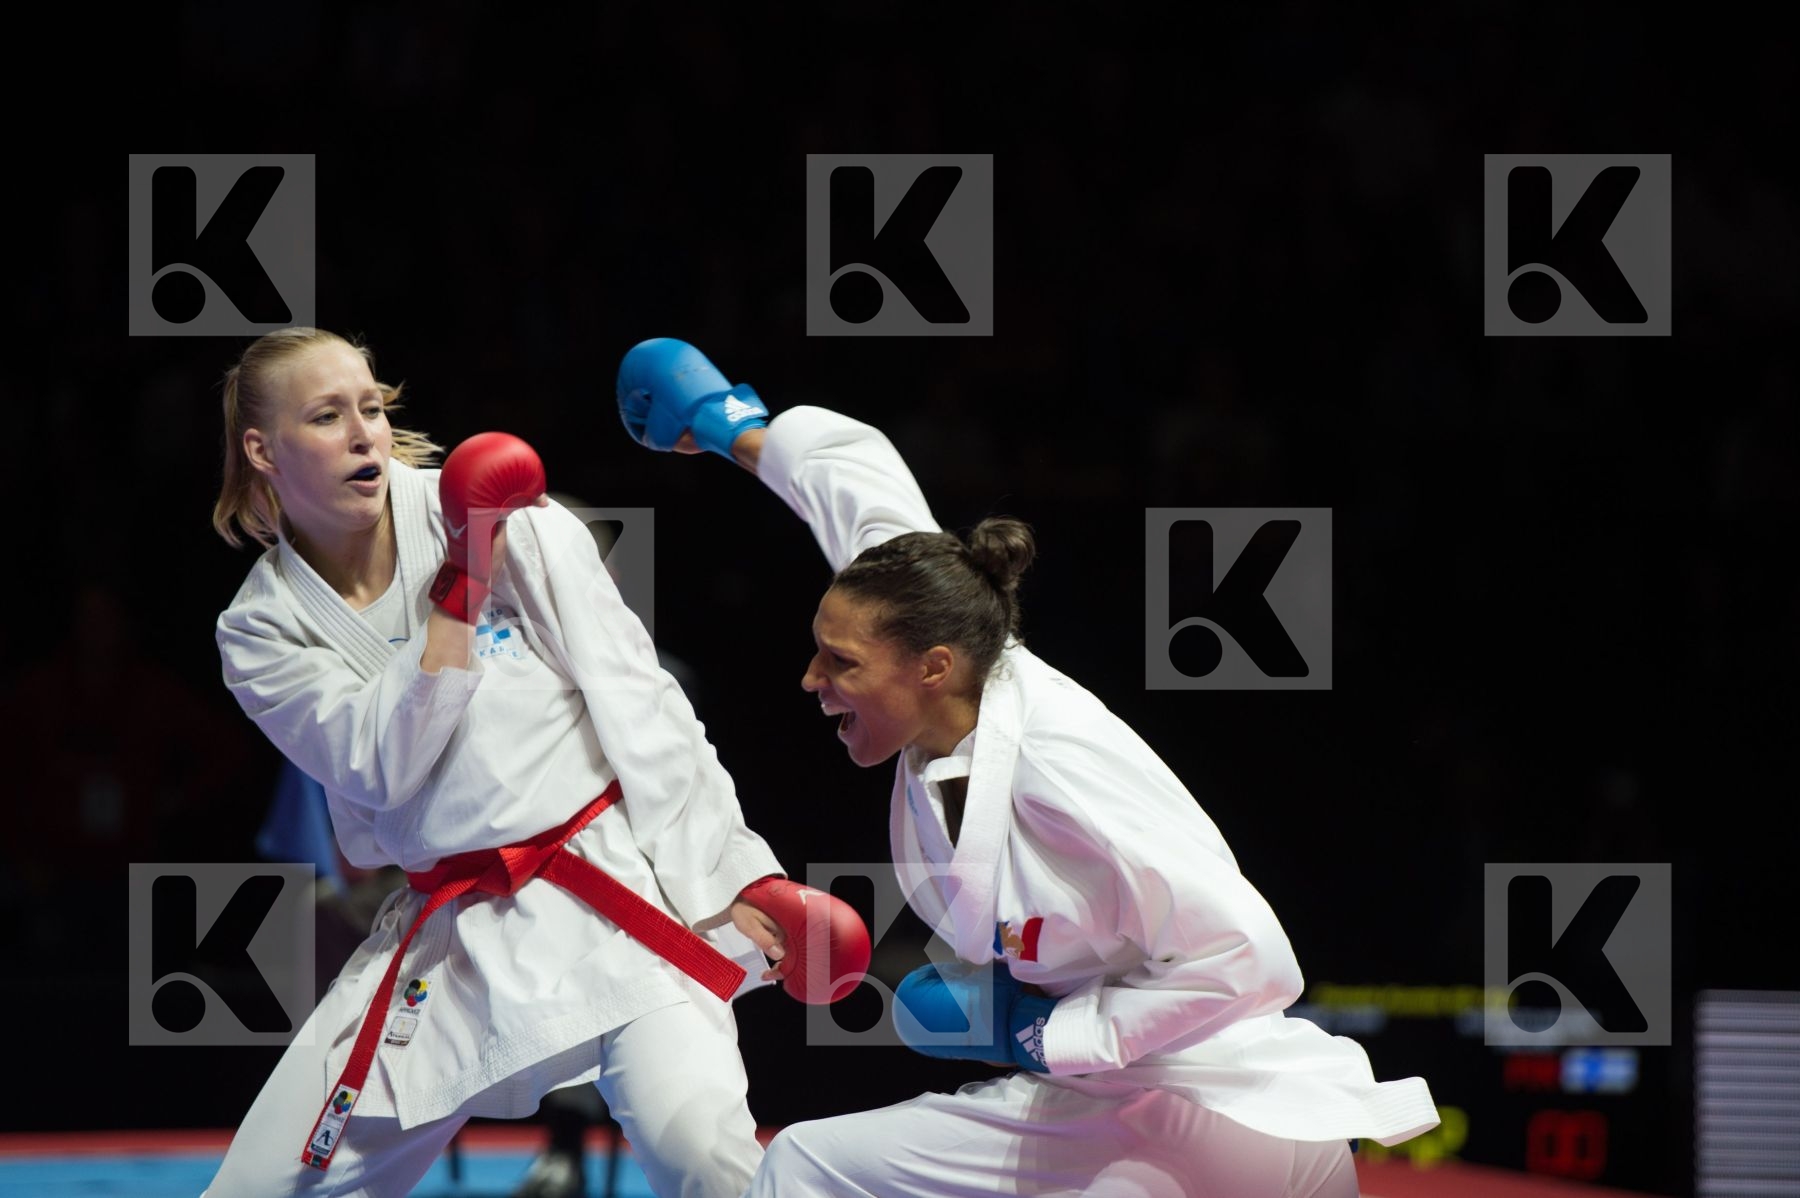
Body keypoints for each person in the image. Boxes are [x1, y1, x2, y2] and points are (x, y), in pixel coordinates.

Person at [617, 338, 1441, 1198]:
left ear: (930, 668)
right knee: (808, 1163)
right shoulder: (934, 614)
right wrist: (728, 424)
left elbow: (1254, 959)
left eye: (839, 663)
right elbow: (860, 491)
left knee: (803, 1166)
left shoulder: (1060, 773)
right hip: (1147, 1107)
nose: (812, 680)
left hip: (1201, 1114)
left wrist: (1043, 1035)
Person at [205, 326, 865, 1198]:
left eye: (371, 408)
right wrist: (461, 590)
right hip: (450, 933)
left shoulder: (508, 516)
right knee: (260, 1188)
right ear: (262, 449)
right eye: (327, 417)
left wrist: (741, 874)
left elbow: (643, 704)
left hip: (614, 897)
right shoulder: (260, 627)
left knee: (706, 1157)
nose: (363, 433)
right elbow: (377, 768)